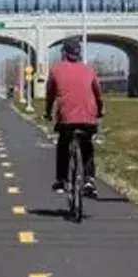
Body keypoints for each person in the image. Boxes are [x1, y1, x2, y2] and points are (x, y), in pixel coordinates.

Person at [44, 37, 104, 197]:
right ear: (79, 53)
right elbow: (98, 94)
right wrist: (100, 111)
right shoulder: (89, 70)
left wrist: (48, 112)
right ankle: (89, 179)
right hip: (88, 118)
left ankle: (62, 180)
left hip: (66, 119)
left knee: (63, 144)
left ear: (64, 52)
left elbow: (50, 95)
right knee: (87, 146)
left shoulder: (56, 70)